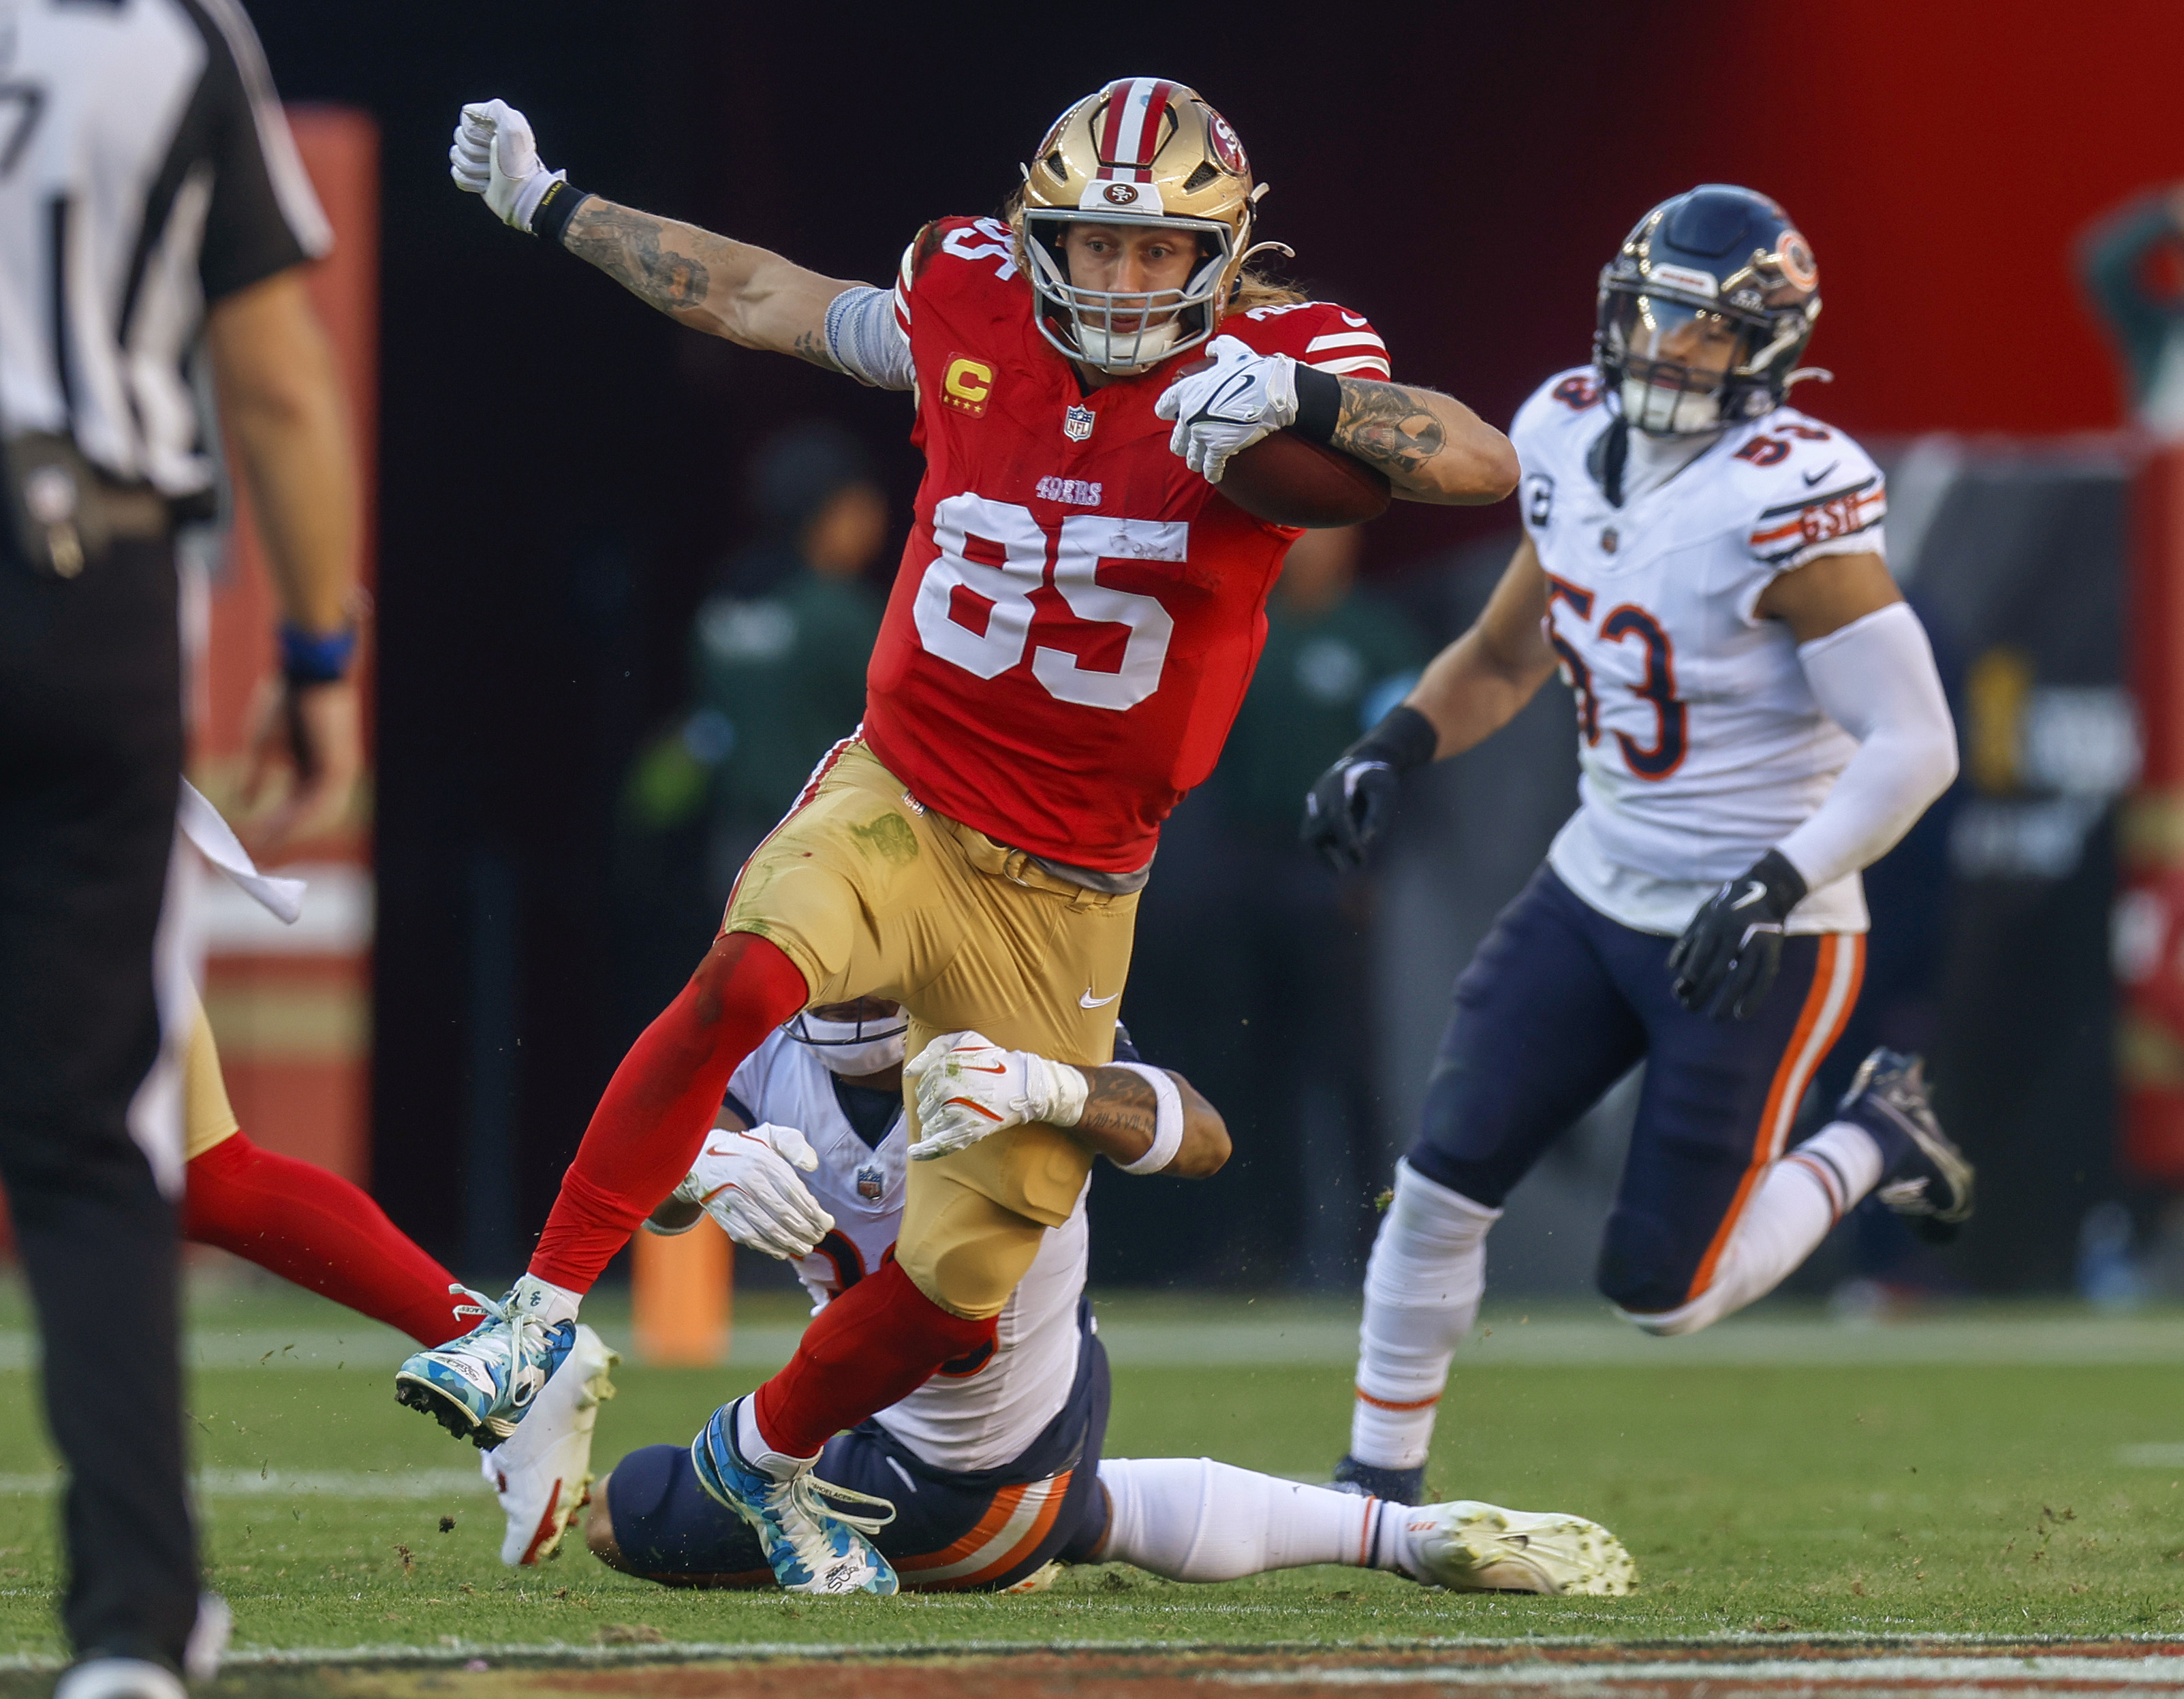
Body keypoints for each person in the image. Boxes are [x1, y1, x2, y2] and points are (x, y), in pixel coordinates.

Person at [403, 78, 1516, 1596]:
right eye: (1089, 244)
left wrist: (1303, 406)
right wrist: (558, 205)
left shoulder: (1290, 354)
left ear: (1224, 250)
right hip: (905, 785)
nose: (1119, 280)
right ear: (1030, 230)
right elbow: (764, 299)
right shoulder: (969, 292)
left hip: (1072, 880)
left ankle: (757, 1458)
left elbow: (1476, 456)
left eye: (1153, 252)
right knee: (748, 971)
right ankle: (535, 1309)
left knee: (956, 1291)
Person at [1298, 186, 1968, 1504]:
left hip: (1757, 924)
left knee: (1663, 1290)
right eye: (1660, 314)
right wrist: (1395, 741)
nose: (1672, 347)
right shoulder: (1558, 428)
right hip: (1595, 884)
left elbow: (1917, 744)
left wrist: (1775, 879)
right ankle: (1375, 1478)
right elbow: (1503, 651)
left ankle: (1878, 1131)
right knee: (1441, 1172)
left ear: (1769, 348)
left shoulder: (1789, 498)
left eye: (1711, 330)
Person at [479, 1003, 1634, 1596]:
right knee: (1066, 1507)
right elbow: (671, 1163)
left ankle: (997, 1533)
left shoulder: (992, 1009)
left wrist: (1053, 1083)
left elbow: (1202, 1133)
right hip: (1035, 1397)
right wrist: (697, 1168)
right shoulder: (827, 1015)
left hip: (948, 1469)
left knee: (625, 1505)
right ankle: (1394, 1530)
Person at [0, 4, 361, 1692]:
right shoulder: (167, 37)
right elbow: (278, 381)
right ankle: (131, 1629)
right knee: (95, 1149)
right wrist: (316, 654)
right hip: (80, 571)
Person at [1212, 525, 1426, 1282]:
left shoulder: (1373, 636)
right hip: (1253, 862)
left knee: (1350, 1066)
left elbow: (1408, 761)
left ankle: (1374, 1241)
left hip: (1335, 868)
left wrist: (1375, 864)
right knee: (1255, 1059)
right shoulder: (1248, 624)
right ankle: (1265, 1242)